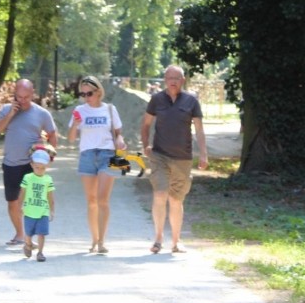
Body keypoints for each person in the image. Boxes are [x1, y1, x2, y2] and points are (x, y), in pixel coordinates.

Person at [140, 65, 208, 254]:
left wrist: (203, 154)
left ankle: (176, 242)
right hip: (159, 155)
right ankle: (158, 238)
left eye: (176, 78)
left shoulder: (191, 101)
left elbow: (199, 130)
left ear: (182, 80)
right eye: (169, 77)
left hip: (183, 158)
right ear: (164, 80)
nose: (172, 81)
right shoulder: (156, 100)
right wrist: (146, 144)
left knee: (176, 200)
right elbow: (145, 125)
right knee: (160, 194)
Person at [0, 79, 59, 246]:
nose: (22, 100)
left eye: (26, 97)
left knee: (31, 200)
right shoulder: (7, 110)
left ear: (32, 94)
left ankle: (29, 235)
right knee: (12, 201)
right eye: (19, 97)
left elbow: (52, 133)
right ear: (15, 94)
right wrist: (10, 115)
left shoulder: (42, 113)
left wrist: (49, 156)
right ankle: (19, 233)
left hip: (32, 164)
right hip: (11, 163)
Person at [67, 75, 125, 254]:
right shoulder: (79, 110)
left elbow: (118, 133)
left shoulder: (109, 109)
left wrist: (121, 141)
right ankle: (94, 239)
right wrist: (75, 125)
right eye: (82, 94)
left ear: (98, 92)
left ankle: (102, 241)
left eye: (89, 93)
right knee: (91, 201)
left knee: (102, 200)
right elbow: (70, 139)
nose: (86, 97)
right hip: (87, 155)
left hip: (107, 154)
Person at [19, 149, 55, 262]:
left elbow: (50, 196)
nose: (39, 170)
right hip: (29, 210)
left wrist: (52, 210)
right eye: (37, 167)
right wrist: (20, 206)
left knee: (41, 233)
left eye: (43, 168)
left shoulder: (48, 179)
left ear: (47, 166)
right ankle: (28, 244)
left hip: (43, 211)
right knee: (28, 233)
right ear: (32, 165)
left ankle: (40, 252)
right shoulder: (28, 178)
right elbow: (22, 192)